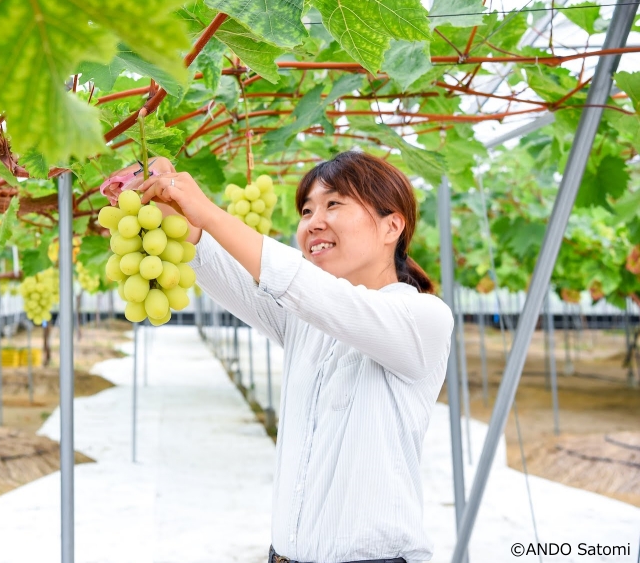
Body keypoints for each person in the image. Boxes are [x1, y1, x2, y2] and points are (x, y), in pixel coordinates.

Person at [116, 151, 453, 563]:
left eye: (333, 204)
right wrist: (177, 213)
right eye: (307, 210)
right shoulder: (307, 321)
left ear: (392, 225)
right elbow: (235, 278)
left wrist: (209, 212)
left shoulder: (423, 319)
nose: (313, 222)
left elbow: (301, 285)